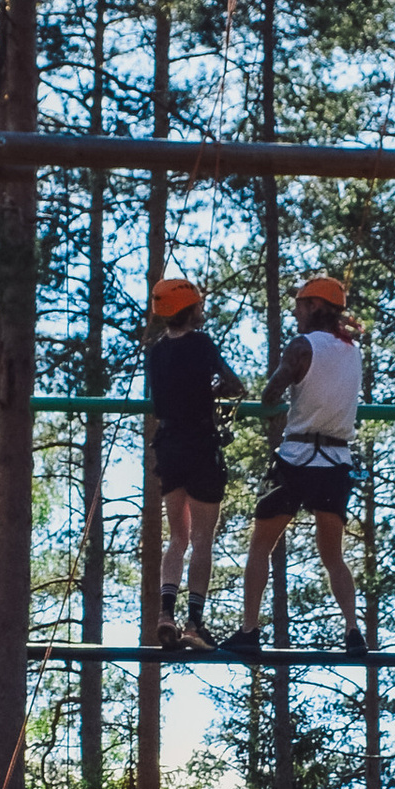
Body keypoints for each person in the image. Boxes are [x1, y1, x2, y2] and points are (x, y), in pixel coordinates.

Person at [217, 273, 367, 662]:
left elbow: (271, 393)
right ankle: (353, 630)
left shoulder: (302, 346)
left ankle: (249, 630)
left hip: (296, 456)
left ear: (316, 307)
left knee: (260, 546)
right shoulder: (354, 351)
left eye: (300, 304)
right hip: (336, 460)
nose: (295, 312)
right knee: (333, 554)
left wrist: (282, 396)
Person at [145, 272, 243, 650]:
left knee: (178, 537)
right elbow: (233, 383)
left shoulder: (156, 351)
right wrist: (217, 390)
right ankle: (193, 624)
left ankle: (165, 613)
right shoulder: (202, 344)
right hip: (201, 445)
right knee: (203, 539)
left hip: (169, 446)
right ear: (189, 309)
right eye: (199, 304)